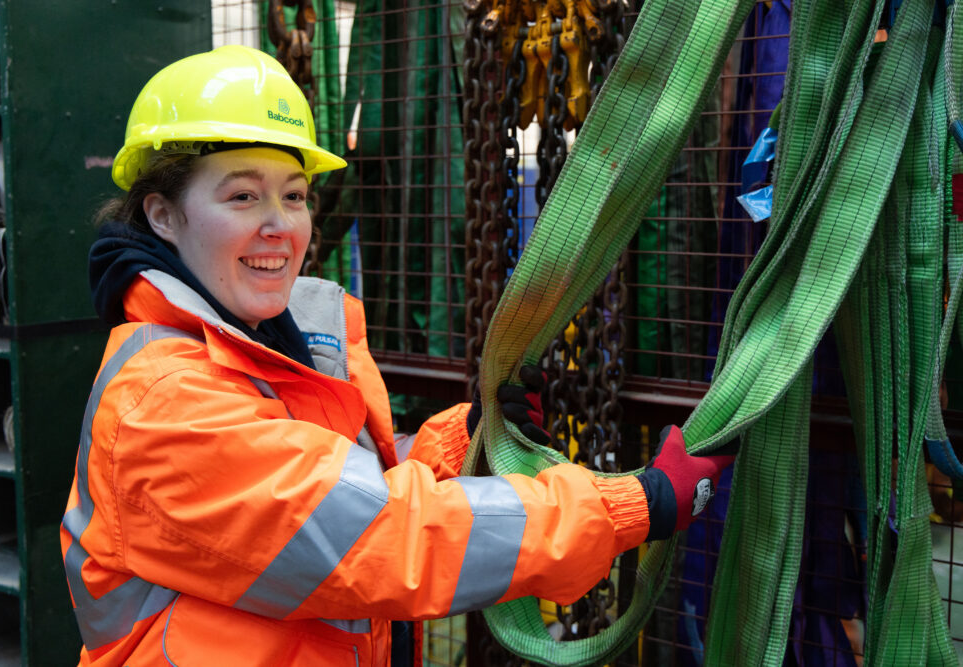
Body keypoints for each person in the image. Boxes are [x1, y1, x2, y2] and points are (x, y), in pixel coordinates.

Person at [60, 44, 734, 667]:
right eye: (242, 196)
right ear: (163, 215)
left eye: (293, 195)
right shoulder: (167, 401)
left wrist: (464, 440)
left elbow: (336, 483)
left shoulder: (257, 346)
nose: (280, 225)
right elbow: (379, 532)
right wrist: (629, 505)